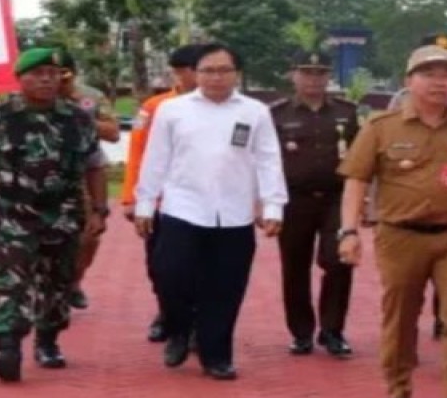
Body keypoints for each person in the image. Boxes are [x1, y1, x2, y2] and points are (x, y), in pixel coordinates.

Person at [337, 45, 447, 398]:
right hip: (400, 236)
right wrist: (349, 231)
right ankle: (398, 391)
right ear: (408, 81)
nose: (439, 83)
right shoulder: (381, 126)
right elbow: (356, 180)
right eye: (429, 75)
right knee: (400, 316)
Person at [134, 43, 289, 381]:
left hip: (234, 212)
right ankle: (178, 328)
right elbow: (156, 158)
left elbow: (268, 159)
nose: (216, 77)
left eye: (223, 70)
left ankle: (216, 354)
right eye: (208, 70)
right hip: (182, 207)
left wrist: (273, 205)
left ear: (237, 74)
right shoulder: (172, 110)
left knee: (226, 286)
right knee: (170, 274)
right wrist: (145, 202)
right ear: (195, 74)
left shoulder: (255, 112)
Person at [0, 48, 106, 382]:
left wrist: (99, 210)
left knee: (58, 281)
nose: (47, 80)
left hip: (63, 211)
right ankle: (8, 347)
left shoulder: (78, 119)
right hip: (12, 211)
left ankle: (48, 340)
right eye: (38, 74)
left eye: (53, 74)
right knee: (11, 278)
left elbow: (95, 166)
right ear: (20, 78)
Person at [271, 51, 360, 357]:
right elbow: (265, 160)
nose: (313, 79)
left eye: (320, 72)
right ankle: (301, 332)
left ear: (328, 76)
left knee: (339, 262)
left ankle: (332, 331)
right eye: (306, 72)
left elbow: (360, 156)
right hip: (294, 199)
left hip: (337, 198)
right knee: (295, 266)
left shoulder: (347, 112)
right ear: (293, 75)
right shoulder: (277, 114)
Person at [122, 44, 203, 343]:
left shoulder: (221, 107)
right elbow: (137, 151)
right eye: (182, 71)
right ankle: (167, 312)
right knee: (161, 266)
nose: (185, 76)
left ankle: (196, 322)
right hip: (160, 201)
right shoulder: (153, 107)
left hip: (201, 201)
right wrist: (131, 197)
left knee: (200, 266)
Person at [54, 49, 119, 311]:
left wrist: (80, 116)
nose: (55, 80)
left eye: (63, 74)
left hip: (82, 175)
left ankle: (74, 282)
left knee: (88, 239)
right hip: (38, 179)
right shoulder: (27, 97)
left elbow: (113, 133)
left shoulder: (89, 98)